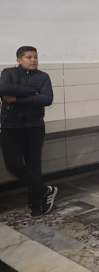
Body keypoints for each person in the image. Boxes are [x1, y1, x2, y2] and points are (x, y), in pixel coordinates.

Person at [0, 46, 57, 218]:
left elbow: (46, 99)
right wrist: (33, 92)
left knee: (33, 165)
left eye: (35, 57)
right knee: (13, 164)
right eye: (29, 57)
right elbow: (3, 90)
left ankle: (35, 203)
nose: (33, 60)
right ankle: (45, 190)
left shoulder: (43, 77)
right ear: (19, 60)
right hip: (10, 126)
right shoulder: (8, 73)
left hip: (34, 126)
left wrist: (16, 98)